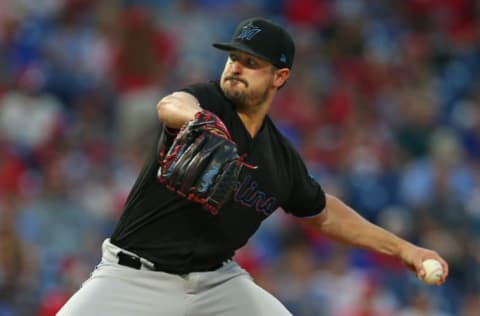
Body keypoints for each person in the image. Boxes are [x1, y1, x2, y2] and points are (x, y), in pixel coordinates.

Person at [57, 17, 449, 316]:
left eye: (250, 62)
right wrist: (197, 120)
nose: (235, 67)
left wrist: (404, 250)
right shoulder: (207, 102)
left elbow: (324, 214)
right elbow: (170, 105)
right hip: (133, 275)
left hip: (216, 283)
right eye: (232, 58)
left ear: (280, 77)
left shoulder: (279, 158)